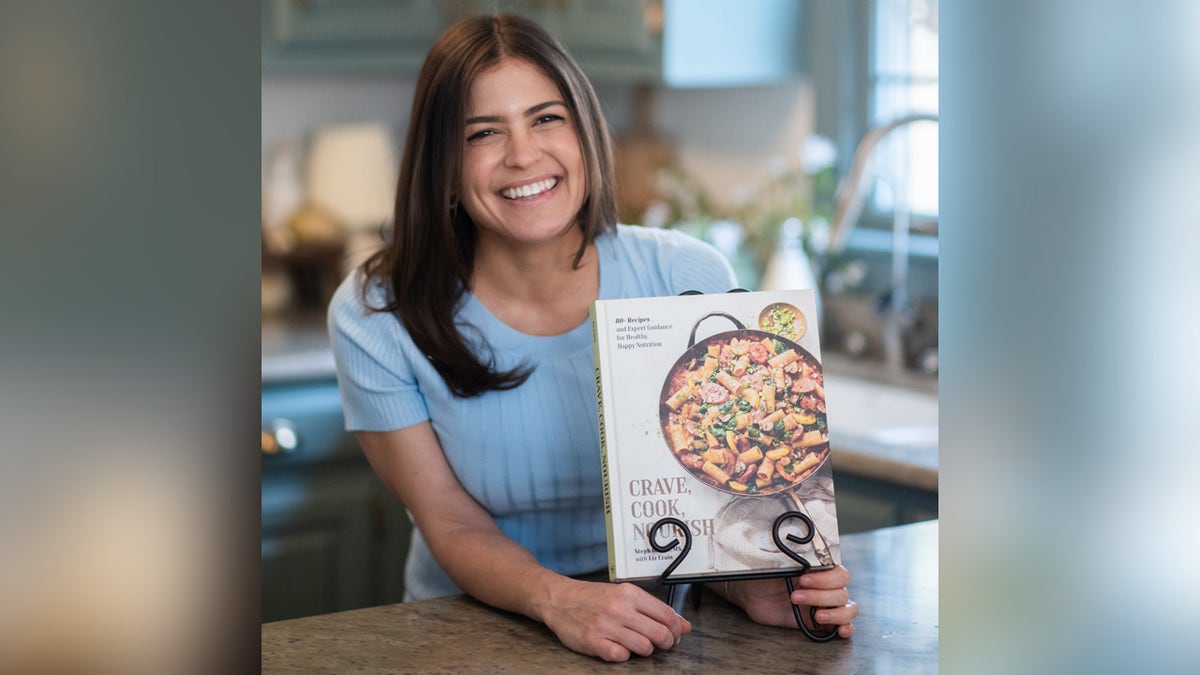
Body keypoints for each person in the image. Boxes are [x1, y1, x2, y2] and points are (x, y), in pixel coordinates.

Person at [328, 13, 857, 662]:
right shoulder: (377, 313)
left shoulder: (689, 276)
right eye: (483, 133)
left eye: (546, 118)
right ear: (441, 163)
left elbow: (722, 494)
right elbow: (449, 519)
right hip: (463, 640)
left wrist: (749, 587)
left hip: (656, 636)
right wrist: (559, 598)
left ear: (584, 129)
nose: (523, 155)